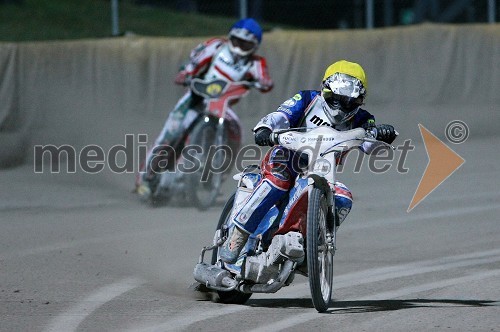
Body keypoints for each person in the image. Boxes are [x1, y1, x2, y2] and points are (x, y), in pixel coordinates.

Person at [219, 59, 397, 264]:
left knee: (343, 198)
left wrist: (383, 135)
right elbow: (280, 116)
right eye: (335, 99)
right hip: (287, 158)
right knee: (278, 181)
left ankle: (313, 244)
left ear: (360, 100)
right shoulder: (306, 99)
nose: (340, 108)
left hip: (322, 170)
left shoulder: (364, 119)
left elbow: (369, 145)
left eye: (349, 102)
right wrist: (264, 129)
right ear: (325, 89)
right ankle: (238, 237)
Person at [136, 18, 273, 198]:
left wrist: (263, 82)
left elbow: (265, 79)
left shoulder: (256, 62)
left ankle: (216, 177)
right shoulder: (216, 46)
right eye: (237, 41)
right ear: (230, 37)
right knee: (171, 133)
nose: (240, 47)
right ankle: (146, 178)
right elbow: (193, 62)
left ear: (254, 46)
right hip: (197, 98)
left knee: (236, 134)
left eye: (246, 44)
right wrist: (186, 73)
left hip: (223, 105)